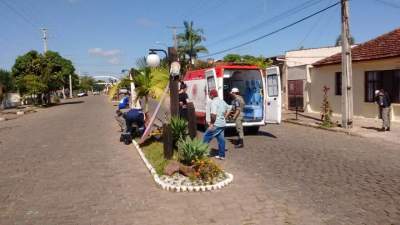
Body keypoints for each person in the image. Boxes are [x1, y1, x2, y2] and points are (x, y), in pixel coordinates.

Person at [203, 89, 230, 160]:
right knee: (221, 140)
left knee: (206, 137)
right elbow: (230, 107)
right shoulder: (222, 101)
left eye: (209, 95)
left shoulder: (214, 102)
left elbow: (213, 115)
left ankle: (202, 153)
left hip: (216, 124)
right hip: (222, 124)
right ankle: (222, 155)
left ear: (212, 95)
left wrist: (211, 124)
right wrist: (225, 116)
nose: (209, 96)